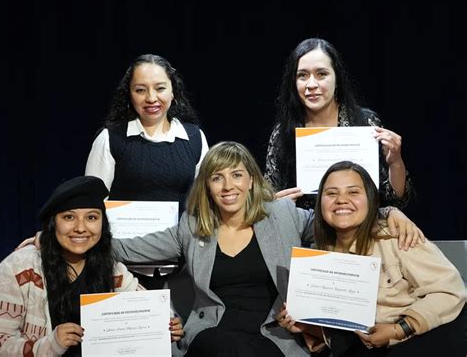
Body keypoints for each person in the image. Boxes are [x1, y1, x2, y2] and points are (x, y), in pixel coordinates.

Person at [110, 142, 424, 356]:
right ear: (206, 185)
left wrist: (388, 212)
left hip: (273, 334)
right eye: (217, 178)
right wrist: (81, 232)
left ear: (251, 180)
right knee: (220, 346)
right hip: (213, 332)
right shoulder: (193, 226)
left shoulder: (282, 214)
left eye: (236, 175)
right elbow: (125, 248)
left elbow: (338, 215)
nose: (228, 186)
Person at [277, 161, 466, 356]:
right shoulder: (319, 257)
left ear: (370, 199)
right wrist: (307, 325)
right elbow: (346, 334)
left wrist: (400, 329)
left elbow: (450, 291)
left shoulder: (397, 236)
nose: (341, 200)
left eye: (353, 192)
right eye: (331, 193)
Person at [0, 176, 184, 356]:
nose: (81, 227)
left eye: (91, 218)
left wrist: (166, 323)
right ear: (53, 223)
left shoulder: (111, 268)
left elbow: (148, 306)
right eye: (69, 217)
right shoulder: (19, 267)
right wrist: (51, 344)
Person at [85, 53, 209, 290]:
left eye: (160, 88)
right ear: (129, 95)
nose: (151, 98)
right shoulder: (110, 139)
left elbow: (205, 203)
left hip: (183, 270)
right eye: (140, 90)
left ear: (173, 92)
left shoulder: (195, 138)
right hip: (121, 270)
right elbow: (91, 205)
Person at [265, 38, 415, 210]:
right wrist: (275, 203)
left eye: (321, 74)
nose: (311, 84)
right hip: (304, 232)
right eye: (302, 75)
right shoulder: (283, 133)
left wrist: (395, 162)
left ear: (337, 78)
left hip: (359, 229)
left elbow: (395, 200)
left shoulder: (365, 123)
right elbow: (268, 198)